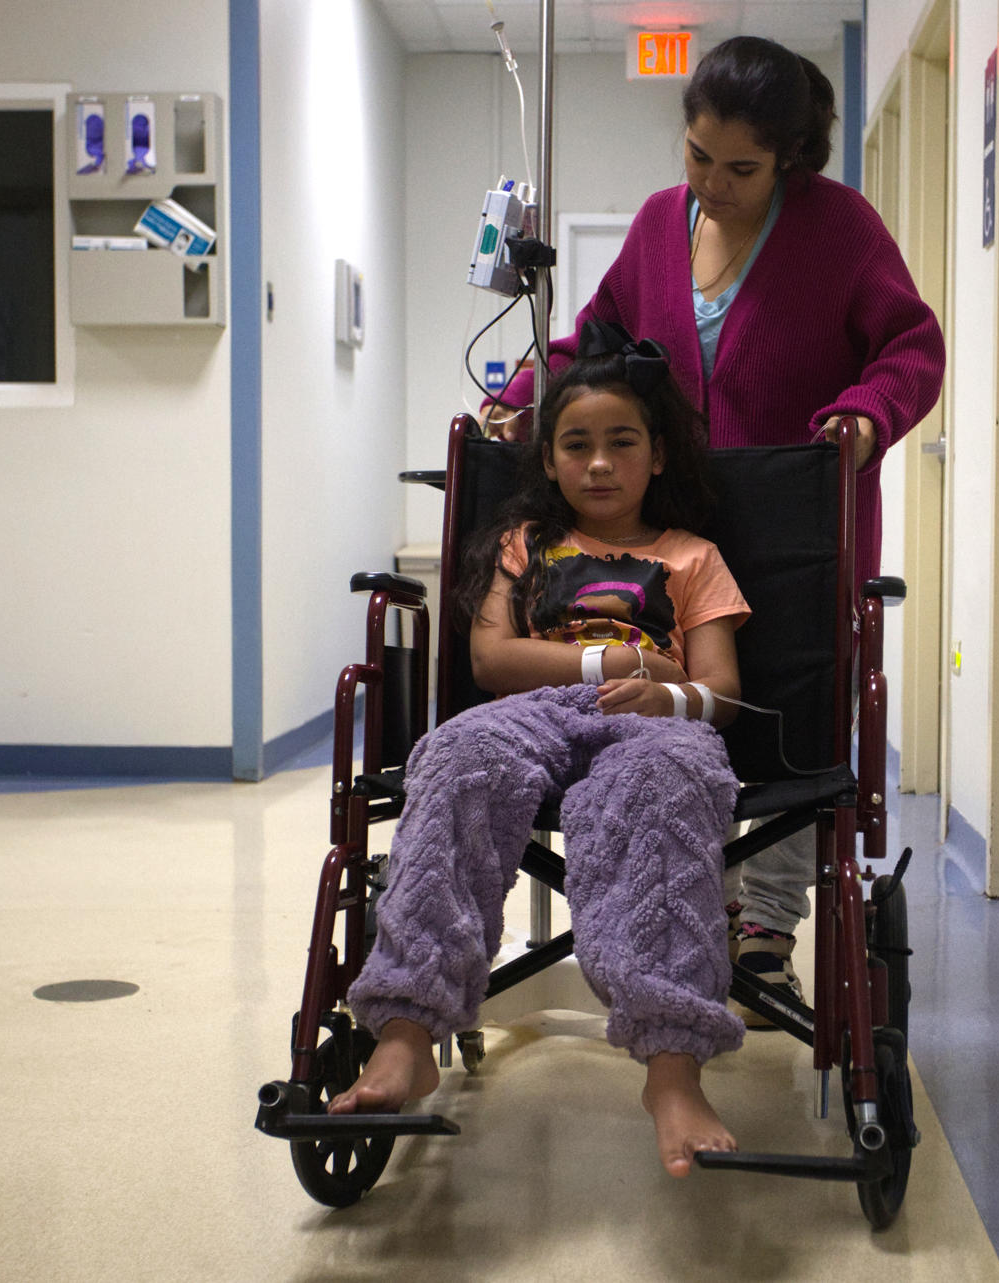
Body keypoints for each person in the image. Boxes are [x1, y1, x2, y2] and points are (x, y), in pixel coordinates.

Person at [485, 36, 946, 1021]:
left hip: (793, 520)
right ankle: (697, 895)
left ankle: (768, 921)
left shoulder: (839, 227)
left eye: (741, 166)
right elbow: (591, 339)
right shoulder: (660, 223)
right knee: (677, 694)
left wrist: (867, 412)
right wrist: (526, 391)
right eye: (698, 156)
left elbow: (912, 344)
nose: (714, 183)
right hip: (675, 521)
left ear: (790, 156)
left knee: (783, 706)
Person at [335, 322, 752, 1179]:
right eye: (576, 445)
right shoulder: (527, 543)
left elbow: (722, 694)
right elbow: (492, 661)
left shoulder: (693, 557)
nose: (599, 463)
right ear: (551, 459)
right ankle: (406, 1032)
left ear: (658, 456)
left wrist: (663, 688)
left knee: (670, 778)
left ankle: (672, 1069)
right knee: (456, 757)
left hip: (654, 724)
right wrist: (625, 655)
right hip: (529, 712)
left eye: (620, 443)